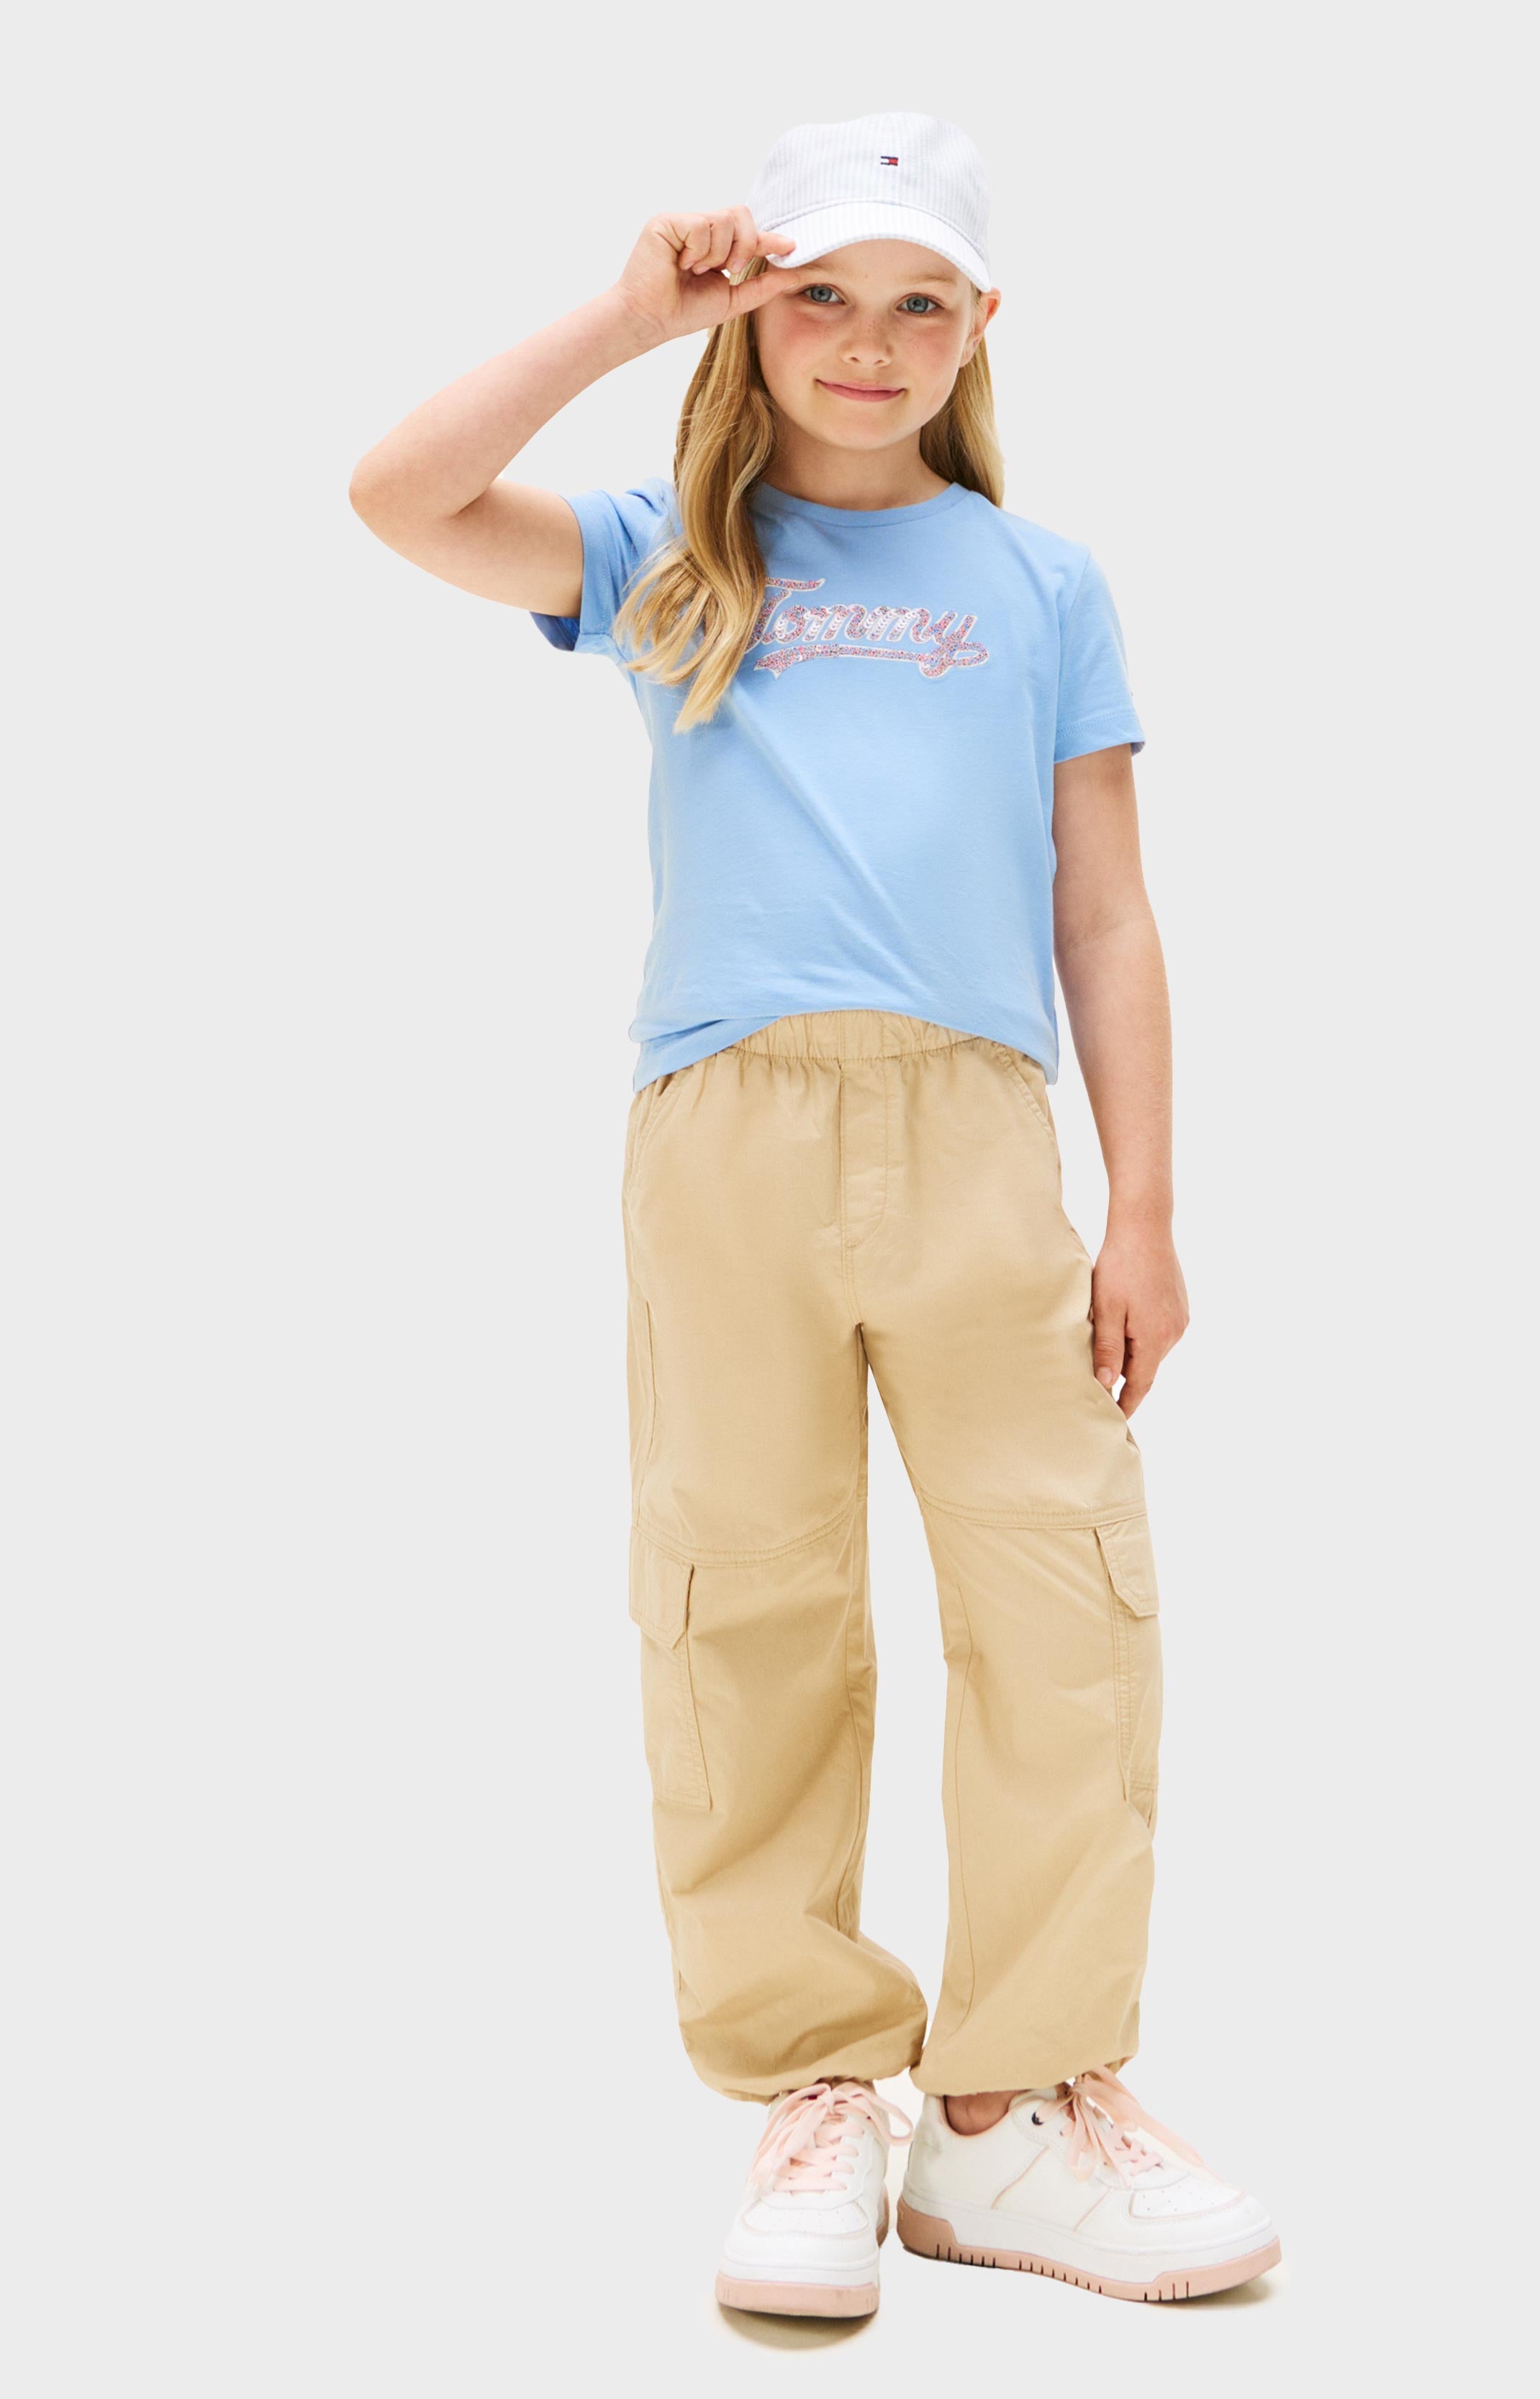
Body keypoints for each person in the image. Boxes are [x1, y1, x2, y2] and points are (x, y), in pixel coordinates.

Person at [350, 111, 1277, 2316]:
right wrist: (622, 317)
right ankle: (813, 2088)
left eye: (915, 301)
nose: (868, 343)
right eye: (819, 297)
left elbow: (1105, 914)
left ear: (979, 324)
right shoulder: (670, 551)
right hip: (725, 1138)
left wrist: (1142, 1210)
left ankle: (1010, 2111)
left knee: (1057, 1600)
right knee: (743, 1597)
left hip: (976, 1139)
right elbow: (398, 495)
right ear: (752, 315)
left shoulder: (1038, 585)